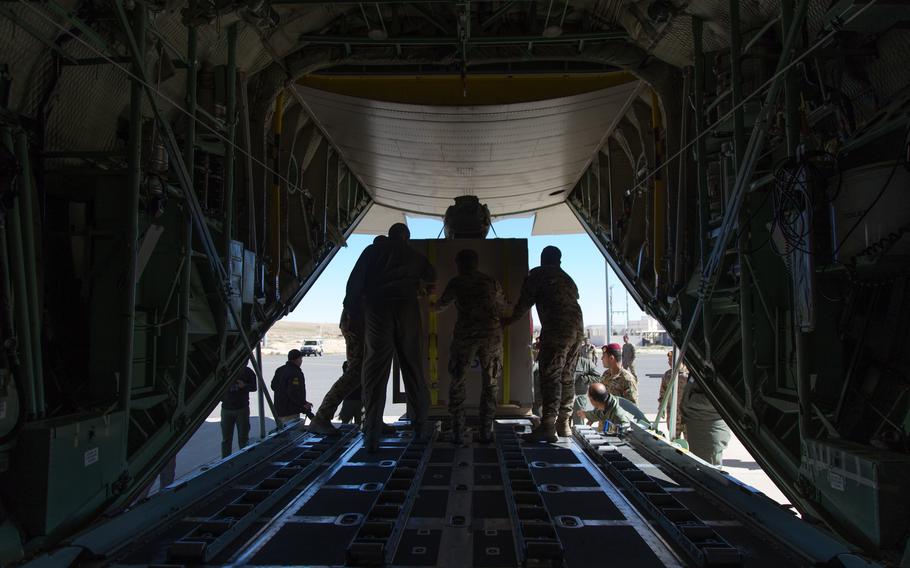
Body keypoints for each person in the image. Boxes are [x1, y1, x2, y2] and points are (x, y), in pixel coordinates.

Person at [347, 223, 435, 451]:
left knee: (375, 370)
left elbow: (354, 283)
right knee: (413, 368)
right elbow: (432, 278)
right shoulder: (415, 255)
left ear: (389, 236)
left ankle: (372, 434)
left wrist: (354, 313)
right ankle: (421, 428)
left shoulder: (372, 251)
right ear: (406, 238)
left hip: (378, 309)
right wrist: (421, 289)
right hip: (407, 309)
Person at [503, 246, 584, 442]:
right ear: (559, 261)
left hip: (557, 329)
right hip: (578, 329)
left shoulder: (538, 274)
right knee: (567, 376)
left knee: (551, 376)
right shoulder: (567, 278)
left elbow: (524, 303)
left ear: (542, 259)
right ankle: (564, 424)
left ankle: (547, 426)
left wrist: (507, 321)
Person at [309, 235, 387, 435]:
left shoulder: (370, 261)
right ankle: (322, 417)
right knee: (357, 371)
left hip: (358, 319)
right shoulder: (374, 258)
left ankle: (373, 419)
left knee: (368, 371)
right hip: (358, 321)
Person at [433, 249, 508, 444]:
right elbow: (503, 306)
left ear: (459, 263)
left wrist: (427, 300)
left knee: (458, 381)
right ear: (476, 263)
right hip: (491, 336)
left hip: (465, 336)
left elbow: (441, 306)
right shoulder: (491, 282)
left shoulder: (457, 282)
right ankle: (486, 432)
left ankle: (458, 432)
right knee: (490, 384)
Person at [680, 378, 731, 465]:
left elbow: (715, 401)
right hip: (701, 426)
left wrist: (689, 400)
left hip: (707, 430)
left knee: (708, 469)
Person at [220, 364, 257, 458]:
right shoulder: (224, 371)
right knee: (226, 439)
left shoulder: (248, 372)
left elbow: (254, 387)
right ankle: (225, 461)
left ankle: (243, 459)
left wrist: (244, 386)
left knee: (243, 438)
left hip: (241, 409)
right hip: (227, 408)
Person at [271, 349, 312, 427]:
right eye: (300, 359)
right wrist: (303, 404)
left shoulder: (280, 370)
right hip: (290, 412)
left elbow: (273, 386)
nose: (301, 361)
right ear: (296, 359)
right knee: (291, 435)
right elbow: (293, 392)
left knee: (281, 433)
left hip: (279, 409)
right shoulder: (295, 372)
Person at [658, 351, 687, 438]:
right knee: (674, 441)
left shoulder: (689, 375)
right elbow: (663, 393)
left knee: (689, 444)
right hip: (673, 416)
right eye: (669, 360)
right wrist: (661, 408)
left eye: (671, 360)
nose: (669, 362)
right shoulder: (667, 375)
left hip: (686, 415)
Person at [573, 344, 601, 425]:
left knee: (578, 424)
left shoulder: (585, 363)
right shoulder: (562, 362)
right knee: (563, 425)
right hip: (564, 398)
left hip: (579, 398)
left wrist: (585, 379)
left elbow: (599, 378)